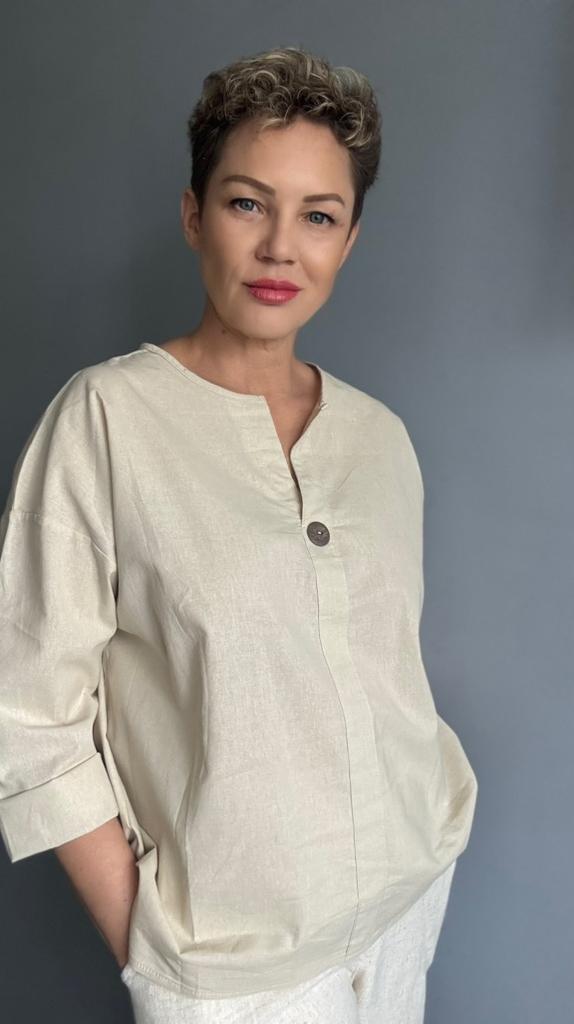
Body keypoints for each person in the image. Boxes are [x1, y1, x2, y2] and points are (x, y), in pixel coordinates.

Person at [0, 45, 478, 1023]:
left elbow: (383, 667)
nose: (280, 248)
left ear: (349, 241)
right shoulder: (107, 420)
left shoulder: (380, 440)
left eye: (319, 216)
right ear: (193, 214)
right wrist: (146, 941)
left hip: (405, 906)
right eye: (247, 203)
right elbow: (28, 713)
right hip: (234, 970)